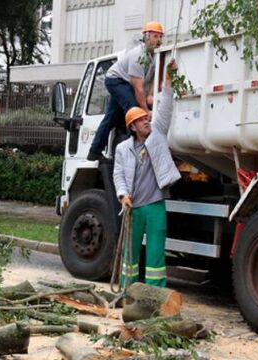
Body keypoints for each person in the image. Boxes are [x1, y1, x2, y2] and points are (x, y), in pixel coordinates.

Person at [113, 60, 182, 288]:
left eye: (146, 117)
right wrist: (123, 195)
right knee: (130, 254)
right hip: (133, 207)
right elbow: (118, 176)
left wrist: (169, 79)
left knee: (156, 254)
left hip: (155, 205)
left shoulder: (157, 135)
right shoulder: (123, 149)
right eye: (142, 120)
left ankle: (155, 293)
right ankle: (127, 291)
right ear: (132, 127)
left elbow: (165, 108)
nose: (147, 120)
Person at [88, 21, 164, 161]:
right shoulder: (138, 56)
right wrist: (146, 111)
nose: (159, 40)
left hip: (126, 83)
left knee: (111, 117)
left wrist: (151, 95)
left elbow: (155, 79)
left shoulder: (155, 56)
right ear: (146, 37)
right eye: (155, 36)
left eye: (160, 37)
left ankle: (94, 151)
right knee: (134, 111)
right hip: (116, 80)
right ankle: (136, 153)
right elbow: (138, 88)